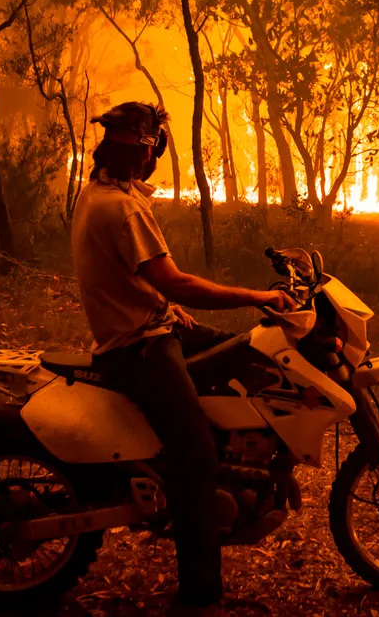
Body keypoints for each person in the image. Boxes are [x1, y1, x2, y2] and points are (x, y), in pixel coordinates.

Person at [71, 101, 296, 611]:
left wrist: (165, 305)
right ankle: (200, 592)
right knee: (196, 457)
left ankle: (255, 472)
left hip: (154, 328)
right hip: (137, 349)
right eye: (152, 150)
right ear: (147, 154)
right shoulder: (121, 207)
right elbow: (175, 280)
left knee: (250, 354)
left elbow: (135, 278)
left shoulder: (104, 194)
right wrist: (257, 298)